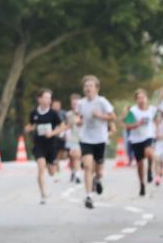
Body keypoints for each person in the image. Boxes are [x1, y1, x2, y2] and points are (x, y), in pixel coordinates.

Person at [77, 74, 116, 210]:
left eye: (91, 86)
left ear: (96, 88)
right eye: (86, 86)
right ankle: (89, 196)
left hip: (100, 138)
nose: (88, 88)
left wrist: (100, 115)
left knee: (98, 171)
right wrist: (78, 121)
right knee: (88, 166)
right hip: (86, 138)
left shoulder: (102, 101)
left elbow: (113, 116)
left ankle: (97, 179)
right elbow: (79, 117)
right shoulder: (80, 103)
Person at [24, 88, 66, 204]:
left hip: (51, 145)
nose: (48, 100)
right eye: (46, 97)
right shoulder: (34, 113)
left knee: (51, 171)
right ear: (39, 99)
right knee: (40, 168)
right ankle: (43, 194)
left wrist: (52, 133)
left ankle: (52, 165)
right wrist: (28, 128)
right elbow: (31, 125)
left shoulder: (53, 113)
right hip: (39, 144)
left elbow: (62, 126)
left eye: (49, 98)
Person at [123, 89, 157, 196]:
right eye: (139, 98)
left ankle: (150, 170)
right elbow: (127, 126)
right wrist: (137, 124)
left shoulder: (152, 110)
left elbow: (158, 120)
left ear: (147, 99)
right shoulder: (133, 111)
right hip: (136, 139)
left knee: (149, 153)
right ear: (136, 100)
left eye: (143, 97)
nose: (141, 100)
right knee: (140, 164)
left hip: (148, 136)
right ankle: (142, 184)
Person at [64, 93, 83, 184]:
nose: (75, 105)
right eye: (73, 103)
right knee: (73, 157)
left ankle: (77, 173)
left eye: (76, 103)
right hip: (72, 137)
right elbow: (67, 126)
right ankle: (74, 172)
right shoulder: (68, 114)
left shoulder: (84, 113)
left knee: (78, 156)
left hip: (84, 137)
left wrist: (80, 121)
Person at [152, 109, 163, 186]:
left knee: (162, 161)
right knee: (156, 160)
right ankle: (157, 177)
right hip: (156, 145)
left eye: (160, 116)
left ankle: (161, 172)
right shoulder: (152, 125)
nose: (158, 118)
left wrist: (162, 136)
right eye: (157, 116)